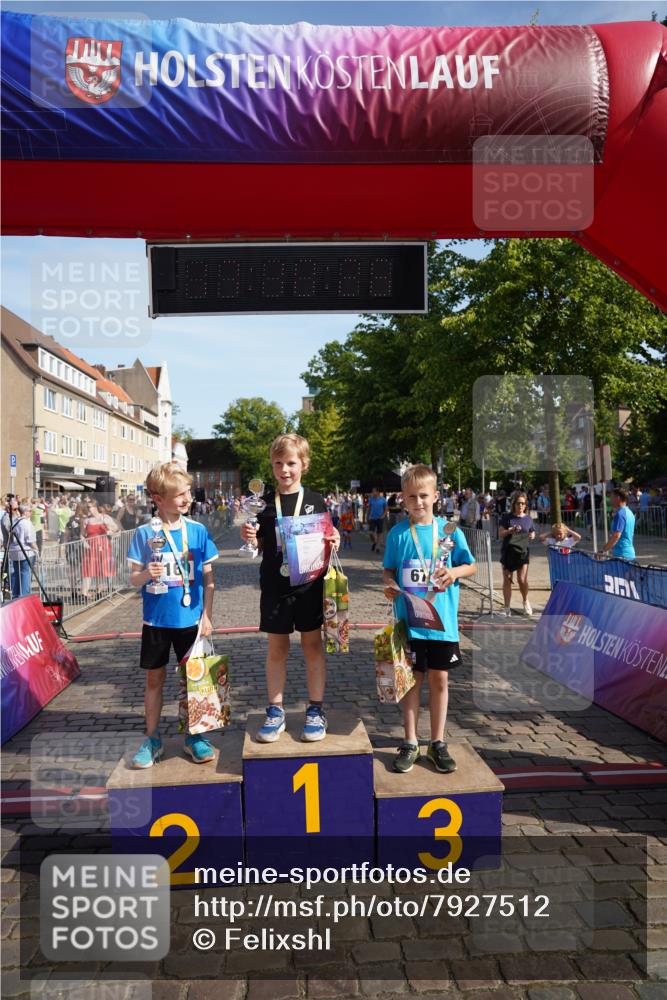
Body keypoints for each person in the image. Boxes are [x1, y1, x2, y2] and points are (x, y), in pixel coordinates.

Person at [240, 433, 340, 744]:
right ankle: (276, 710)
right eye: (278, 463)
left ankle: (315, 709)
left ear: (304, 465)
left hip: (309, 585)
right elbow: (256, 544)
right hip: (275, 585)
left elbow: (328, 533)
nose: (285, 469)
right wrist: (250, 538)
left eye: (291, 463)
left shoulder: (315, 499)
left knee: (312, 646)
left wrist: (334, 537)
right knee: (277, 649)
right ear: (271, 466)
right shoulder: (263, 504)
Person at [383, 465, 476, 774]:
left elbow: (470, 566)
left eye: (423, 496)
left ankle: (437, 742)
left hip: (442, 623)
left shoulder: (450, 531)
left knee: (440, 680)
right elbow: (389, 570)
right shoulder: (398, 534)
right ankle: (410, 741)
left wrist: (453, 572)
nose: (418, 502)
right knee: (411, 682)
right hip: (410, 623)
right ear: (403, 499)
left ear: (436, 496)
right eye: (411, 497)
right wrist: (390, 586)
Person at [127, 463, 218, 768]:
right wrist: (144, 575)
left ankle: (195, 736)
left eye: (188, 492)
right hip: (156, 621)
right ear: (157, 498)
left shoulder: (198, 531)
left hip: (190, 620)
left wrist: (206, 615)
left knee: (195, 681)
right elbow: (132, 578)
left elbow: (209, 578)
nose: (186, 498)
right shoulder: (144, 533)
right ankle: (152, 739)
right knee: (155, 678)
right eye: (178, 494)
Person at [499, 493, 536, 616]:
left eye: (523, 503)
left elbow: (532, 532)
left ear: (525, 505)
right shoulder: (507, 517)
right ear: (514, 504)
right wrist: (510, 530)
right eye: (518, 503)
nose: (520, 505)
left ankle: (525, 601)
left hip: (523, 552)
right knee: (507, 580)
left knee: (522, 579)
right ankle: (507, 608)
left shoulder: (528, 519)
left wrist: (532, 535)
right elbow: (501, 533)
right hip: (508, 551)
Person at [80, 498, 120, 600]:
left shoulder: (104, 517)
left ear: (95, 507)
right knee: (88, 569)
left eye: (89, 507)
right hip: (90, 547)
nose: (88, 509)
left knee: (101, 569)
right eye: (87, 507)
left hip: (103, 546)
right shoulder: (86, 520)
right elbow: (82, 534)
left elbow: (116, 528)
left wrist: (110, 531)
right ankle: (84, 593)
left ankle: (99, 591)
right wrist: (84, 542)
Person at [600, 487, 636, 560]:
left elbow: (616, 536)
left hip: (621, 555)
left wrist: (602, 551)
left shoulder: (620, 514)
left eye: (612, 497)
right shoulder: (629, 512)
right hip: (628, 554)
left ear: (618, 498)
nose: (610, 500)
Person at [368, 487, 388, 553]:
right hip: (372, 518)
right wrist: (367, 516)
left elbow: (386, 509)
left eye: (374, 491)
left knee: (379, 533)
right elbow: (369, 509)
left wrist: (383, 515)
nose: (373, 493)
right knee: (371, 533)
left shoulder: (383, 499)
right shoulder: (371, 499)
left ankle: (378, 547)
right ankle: (375, 542)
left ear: (378, 492)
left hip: (380, 518)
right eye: (372, 491)